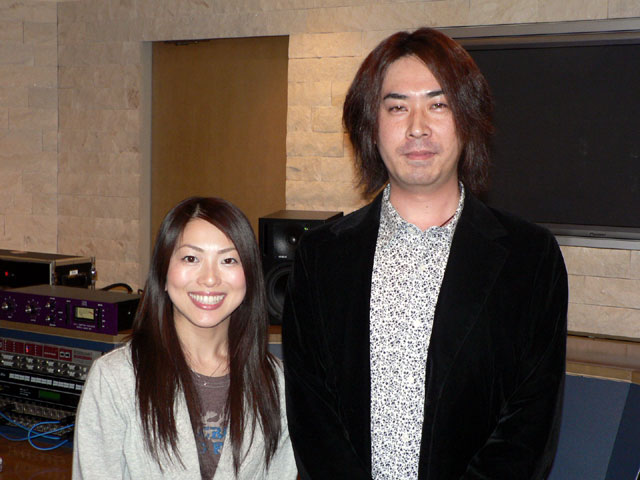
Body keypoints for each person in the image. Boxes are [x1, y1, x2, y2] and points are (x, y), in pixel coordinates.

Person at [282, 27, 568, 480]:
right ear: (370, 127)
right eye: (397, 107)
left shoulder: (530, 259)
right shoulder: (320, 259)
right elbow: (312, 417)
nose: (418, 127)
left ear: (468, 119)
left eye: (439, 104)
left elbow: (529, 426)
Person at [73, 197, 297, 479]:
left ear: (249, 277)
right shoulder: (116, 379)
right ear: (164, 272)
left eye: (228, 260)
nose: (210, 278)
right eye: (191, 258)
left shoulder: (277, 384)